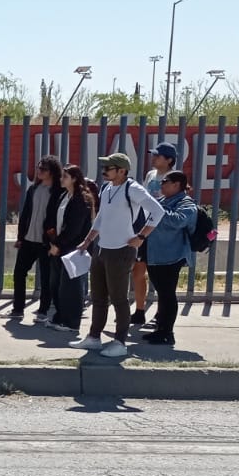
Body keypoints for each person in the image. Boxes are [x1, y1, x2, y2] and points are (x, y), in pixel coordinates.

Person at [72, 153, 164, 359]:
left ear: (122, 170)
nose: (104, 171)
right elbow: (102, 217)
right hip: (102, 248)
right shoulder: (107, 189)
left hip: (121, 251)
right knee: (98, 297)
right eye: (104, 167)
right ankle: (94, 337)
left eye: (109, 167)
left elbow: (157, 212)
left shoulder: (133, 189)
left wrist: (141, 236)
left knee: (119, 299)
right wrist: (88, 241)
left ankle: (120, 342)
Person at [142, 170, 199, 348]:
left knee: (167, 294)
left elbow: (178, 221)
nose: (162, 184)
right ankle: (160, 329)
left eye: (165, 181)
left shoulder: (186, 203)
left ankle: (167, 332)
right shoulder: (162, 201)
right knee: (162, 294)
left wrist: (158, 209)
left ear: (177, 185)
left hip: (171, 256)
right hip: (155, 255)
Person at [132, 141, 179, 330]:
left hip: (162, 233)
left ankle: (161, 313)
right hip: (145, 228)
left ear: (169, 160)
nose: (153, 158)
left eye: (158, 156)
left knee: (159, 276)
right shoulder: (151, 175)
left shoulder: (174, 178)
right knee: (138, 270)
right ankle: (140, 310)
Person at [10, 157, 63, 322]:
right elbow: (25, 215)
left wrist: (55, 241)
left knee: (46, 277)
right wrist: (20, 237)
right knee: (19, 273)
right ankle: (18, 309)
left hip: (45, 242)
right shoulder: (33, 189)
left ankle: (43, 310)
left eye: (43, 169)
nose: (39, 171)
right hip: (28, 239)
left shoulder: (58, 192)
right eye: (38, 168)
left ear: (52, 172)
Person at [45, 165, 95, 335]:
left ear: (74, 178)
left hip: (72, 249)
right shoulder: (65, 196)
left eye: (65, 176)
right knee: (56, 284)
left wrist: (58, 245)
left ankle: (72, 322)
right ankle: (60, 316)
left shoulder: (81, 200)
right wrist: (53, 242)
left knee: (71, 287)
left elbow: (74, 229)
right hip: (59, 247)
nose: (61, 179)